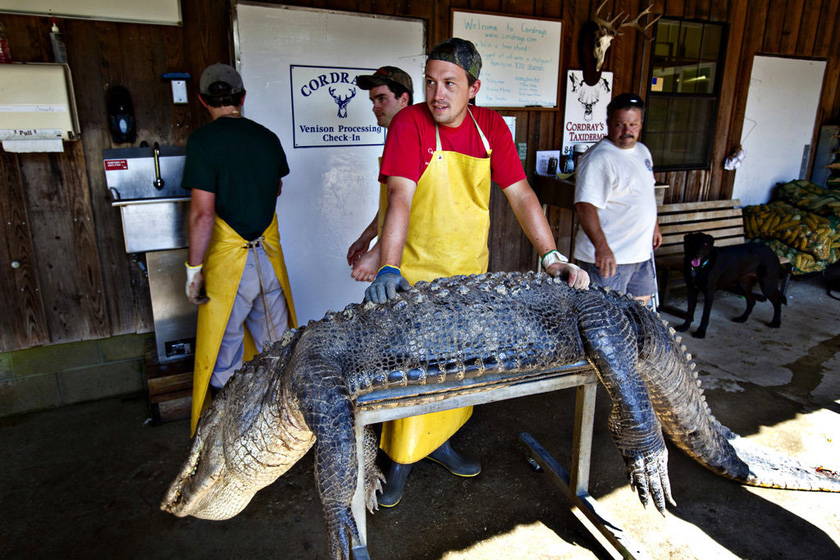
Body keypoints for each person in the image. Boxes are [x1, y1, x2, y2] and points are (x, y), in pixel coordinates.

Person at [365, 38, 590, 507]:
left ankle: (440, 443)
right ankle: (400, 461)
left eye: (450, 83)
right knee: (417, 371)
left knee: (460, 370)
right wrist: (388, 263)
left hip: (470, 274)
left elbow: (522, 194)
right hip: (418, 276)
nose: (437, 93)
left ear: (474, 88)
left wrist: (550, 256)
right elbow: (399, 198)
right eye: (430, 82)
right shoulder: (410, 124)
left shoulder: (491, 128)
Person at [182, 63, 297, 435]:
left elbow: (202, 214)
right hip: (268, 258)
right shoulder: (267, 138)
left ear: (203, 101)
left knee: (225, 352)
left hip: (228, 265)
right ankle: (277, 431)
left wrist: (193, 269)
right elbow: (276, 188)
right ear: (242, 98)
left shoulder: (202, 141)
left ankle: (231, 434)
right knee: (275, 349)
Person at [573, 93, 662, 305]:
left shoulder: (642, 152)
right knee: (605, 319)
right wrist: (601, 247)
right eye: (620, 124)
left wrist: (654, 226)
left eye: (633, 124)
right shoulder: (599, 158)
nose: (627, 131)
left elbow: (646, 193)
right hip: (609, 259)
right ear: (608, 124)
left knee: (639, 312)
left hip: (640, 253)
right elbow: (585, 206)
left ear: (641, 124)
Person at [346, 66, 413, 282]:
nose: (375, 107)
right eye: (372, 101)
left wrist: (376, 254)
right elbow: (391, 202)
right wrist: (366, 237)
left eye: (382, 99)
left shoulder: (412, 137)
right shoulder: (395, 137)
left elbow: (412, 206)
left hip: (412, 263)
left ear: (404, 99)